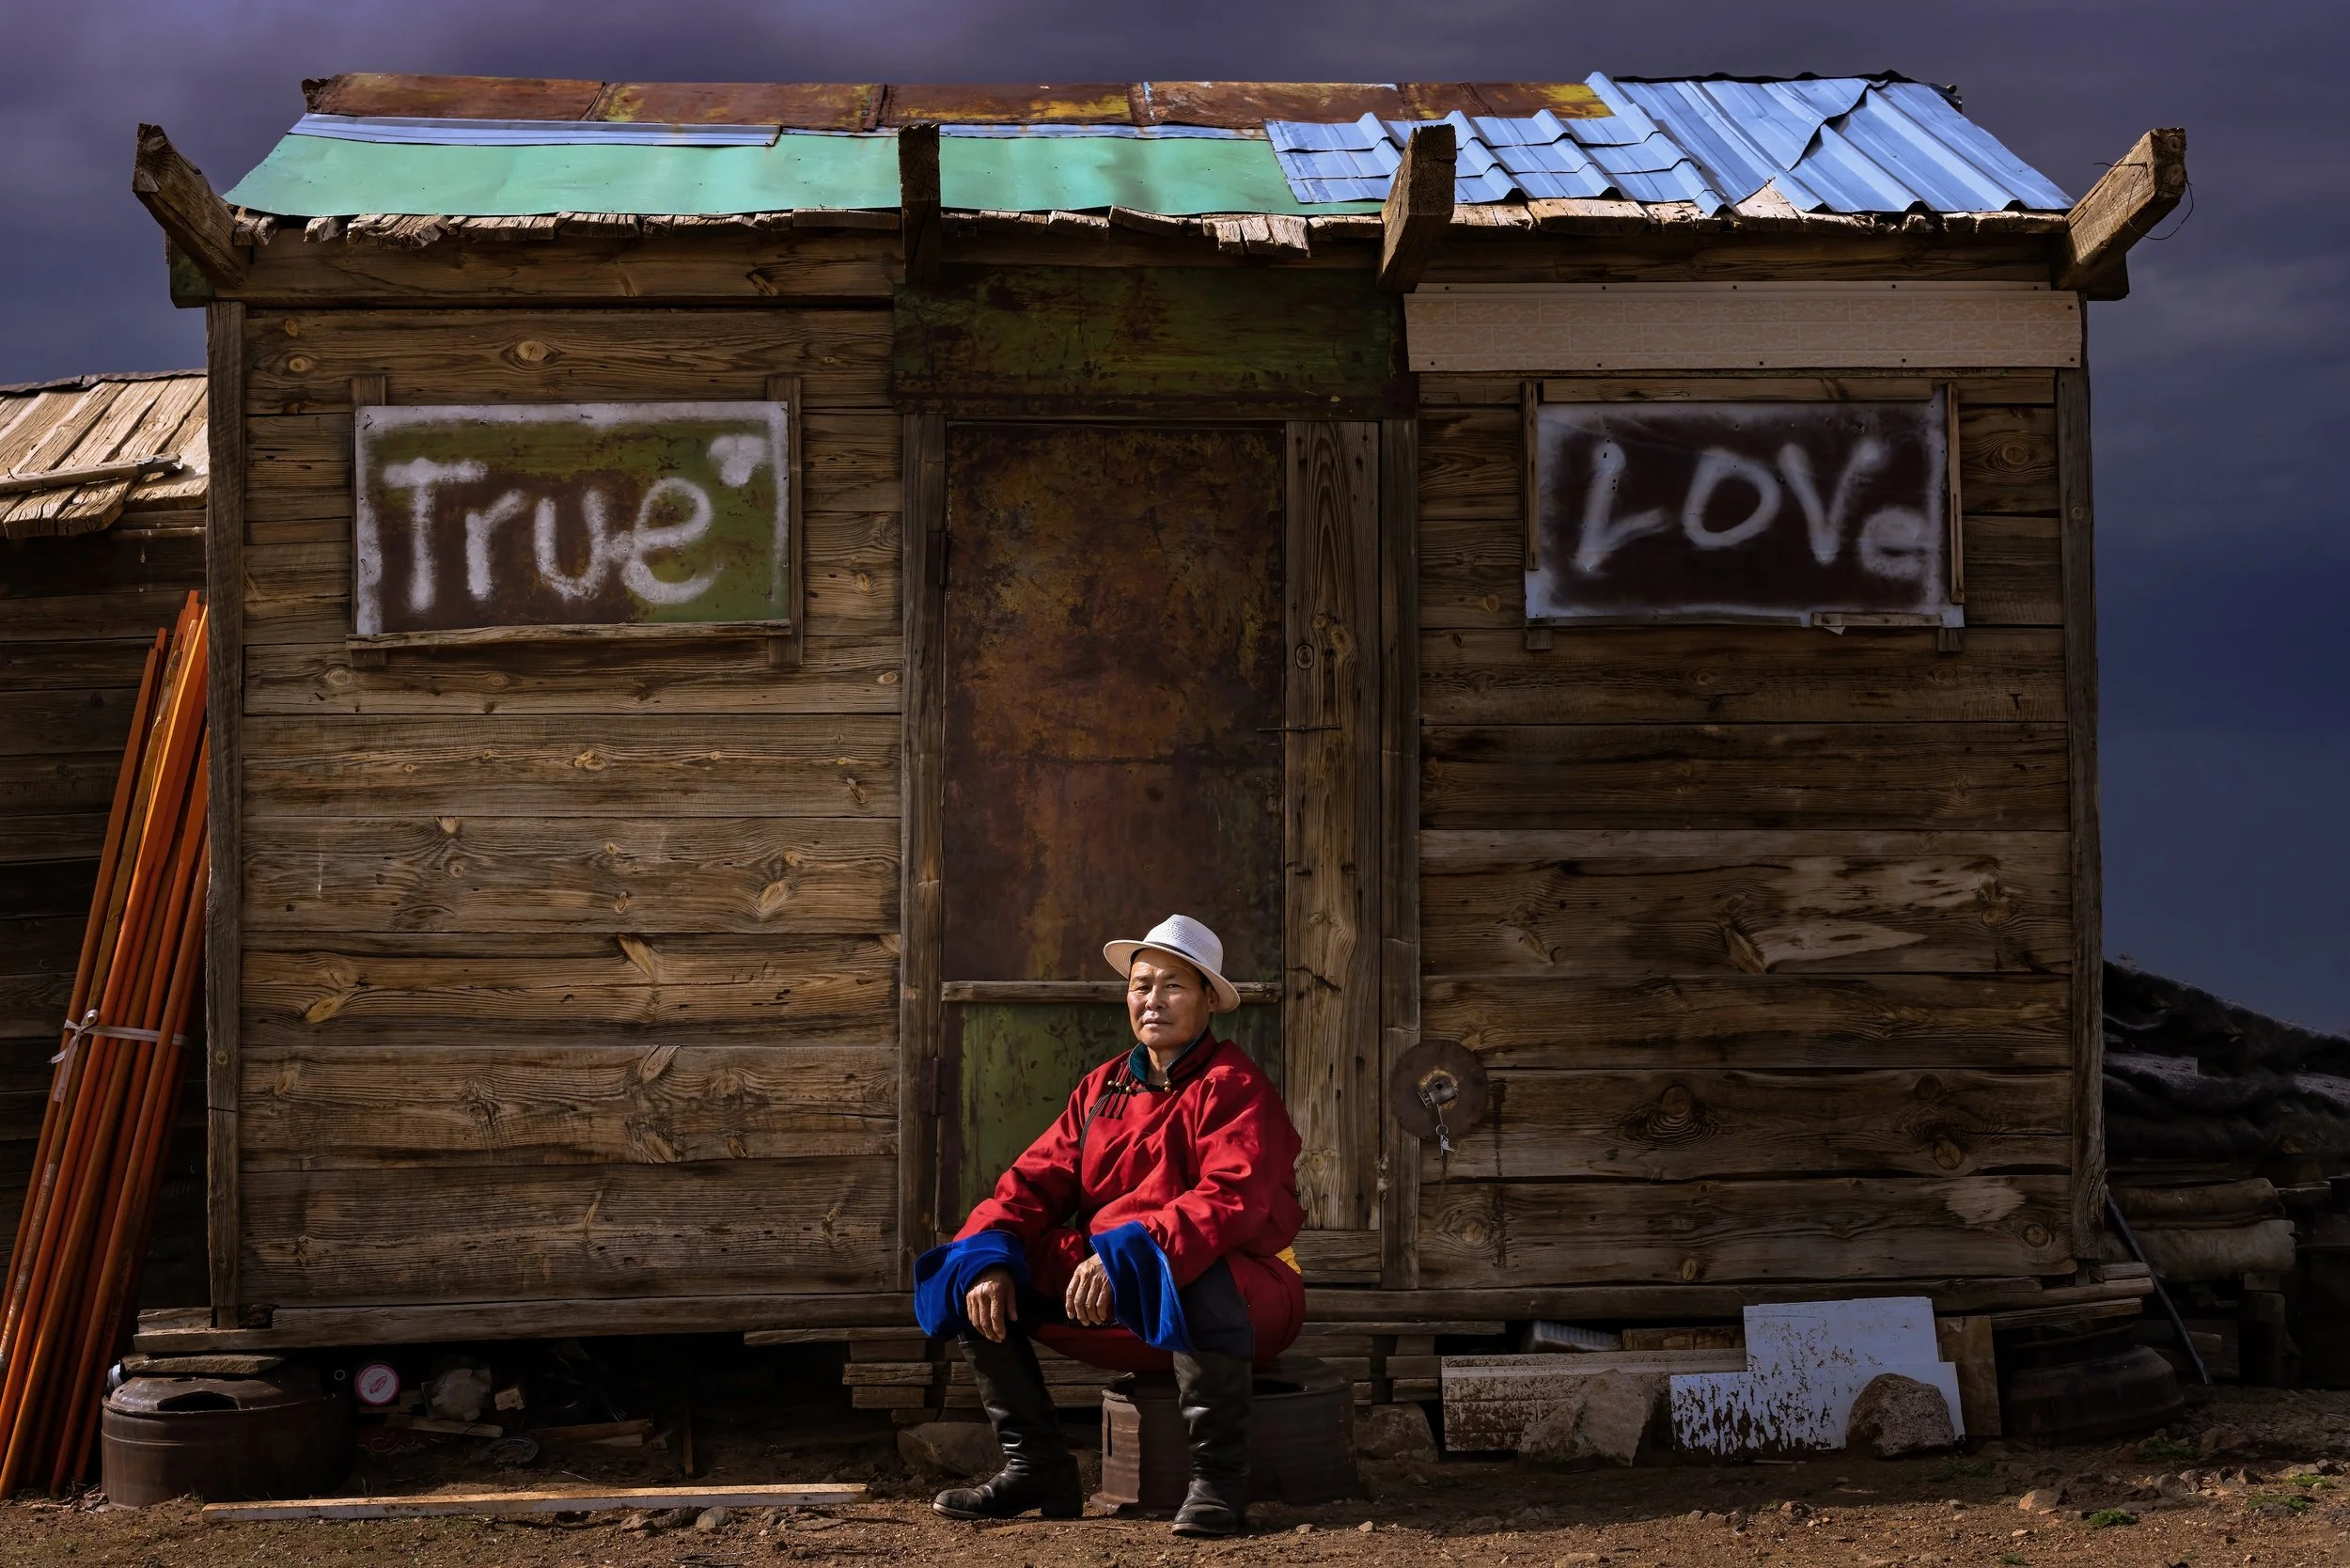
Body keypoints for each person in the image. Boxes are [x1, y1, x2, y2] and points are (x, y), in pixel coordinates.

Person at [913, 915, 1306, 1538]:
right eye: (1141, 985)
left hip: (1245, 1296)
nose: (1153, 1000)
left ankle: (1218, 1485)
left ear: (1208, 998)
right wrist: (991, 1257)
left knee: (1197, 1272)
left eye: (1173, 986)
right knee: (974, 1271)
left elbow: (1232, 1202)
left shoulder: (1234, 1087)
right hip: (1116, 1293)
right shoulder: (1103, 1087)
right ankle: (1036, 1466)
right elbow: (1030, 1184)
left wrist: (1129, 1255)